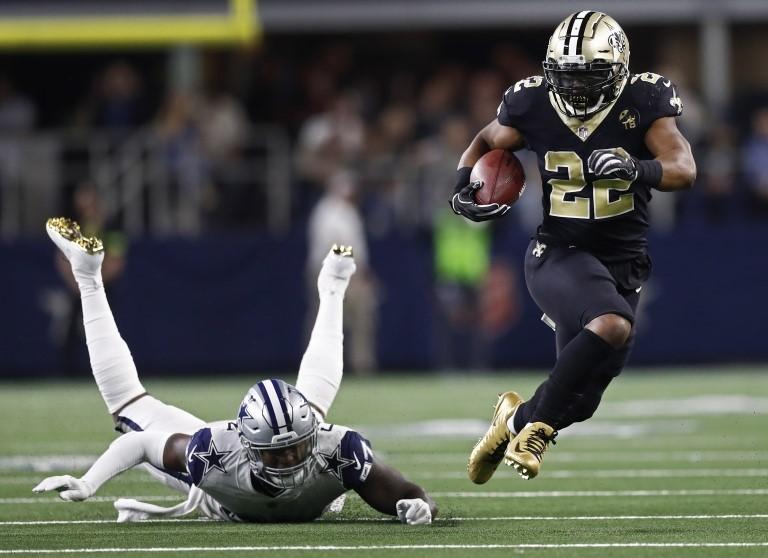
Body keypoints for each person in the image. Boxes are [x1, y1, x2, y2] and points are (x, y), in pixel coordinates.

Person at [33, 217, 436, 525]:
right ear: (247, 447)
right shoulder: (213, 452)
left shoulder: (338, 450)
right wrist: (89, 482)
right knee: (128, 406)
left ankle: (332, 288)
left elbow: (411, 492)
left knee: (309, 409)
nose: (292, 460)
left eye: (297, 447)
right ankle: (88, 278)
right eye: (278, 455)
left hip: (281, 454)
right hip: (221, 493)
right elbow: (138, 445)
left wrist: (419, 506)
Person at [451, 12, 696, 481]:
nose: (577, 90)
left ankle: (515, 420)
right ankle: (536, 429)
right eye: (567, 78)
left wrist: (636, 169)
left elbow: (683, 168)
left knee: (581, 400)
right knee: (613, 323)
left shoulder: (643, 99)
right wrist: (464, 182)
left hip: (622, 261)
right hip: (558, 253)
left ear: (618, 69)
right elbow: (485, 139)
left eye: (589, 77)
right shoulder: (533, 102)